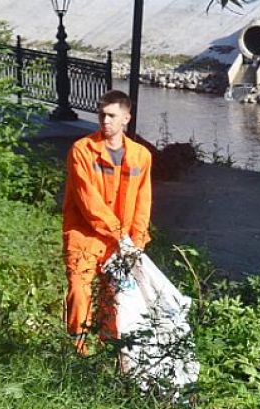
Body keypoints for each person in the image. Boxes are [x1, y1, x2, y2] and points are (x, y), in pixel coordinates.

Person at [62, 90, 153, 356]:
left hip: (121, 243)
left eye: (112, 116)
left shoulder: (141, 156)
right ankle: (77, 351)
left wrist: (137, 242)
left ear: (126, 118)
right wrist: (119, 234)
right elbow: (88, 201)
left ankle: (107, 354)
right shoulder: (82, 150)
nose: (105, 121)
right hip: (85, 236)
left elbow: (142, 203)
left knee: (114, 299)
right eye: (102, 114)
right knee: (79, 291)